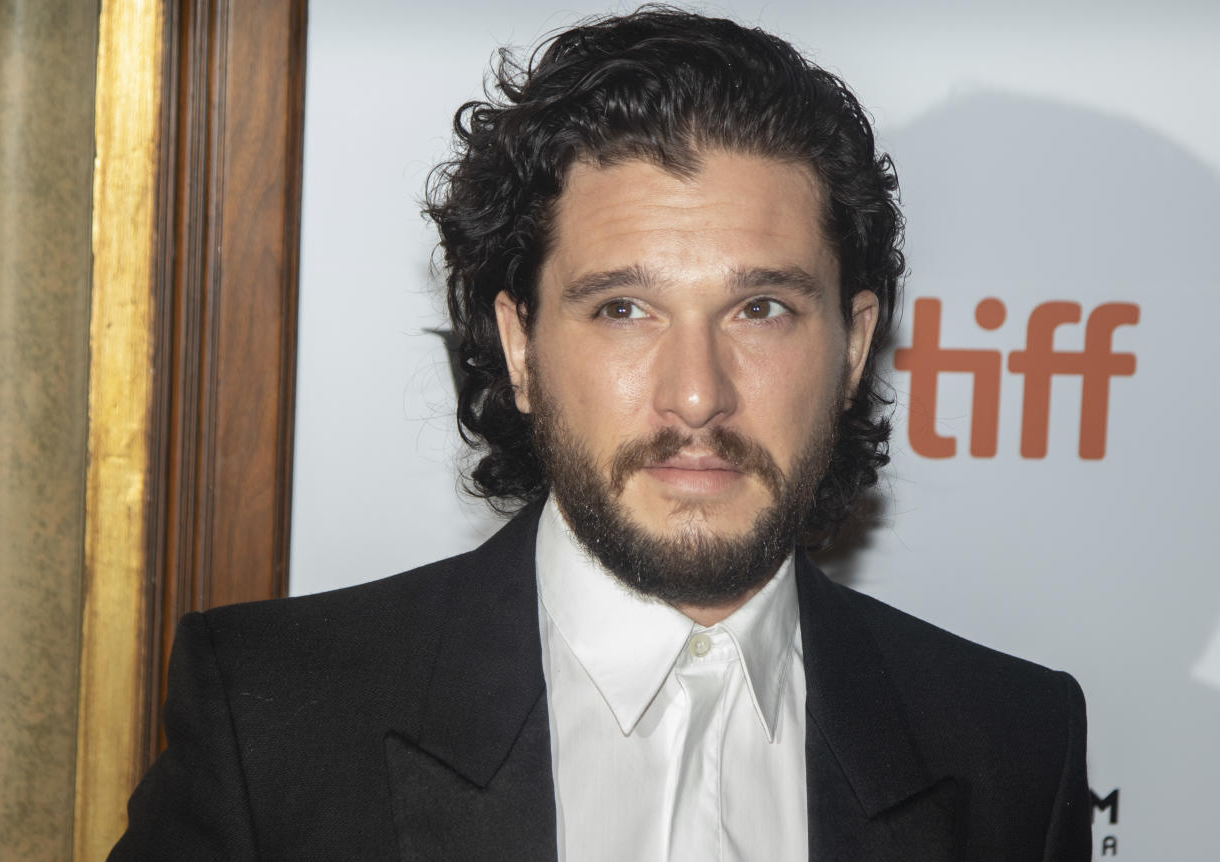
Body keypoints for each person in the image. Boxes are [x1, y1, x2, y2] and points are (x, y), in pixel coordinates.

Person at [111, 7, 1090, 860]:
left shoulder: (1011, 746)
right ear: (522, 346)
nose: (697, 397)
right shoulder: (274, 722)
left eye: (761, 309)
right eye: (624, 308)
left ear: (852, 347)